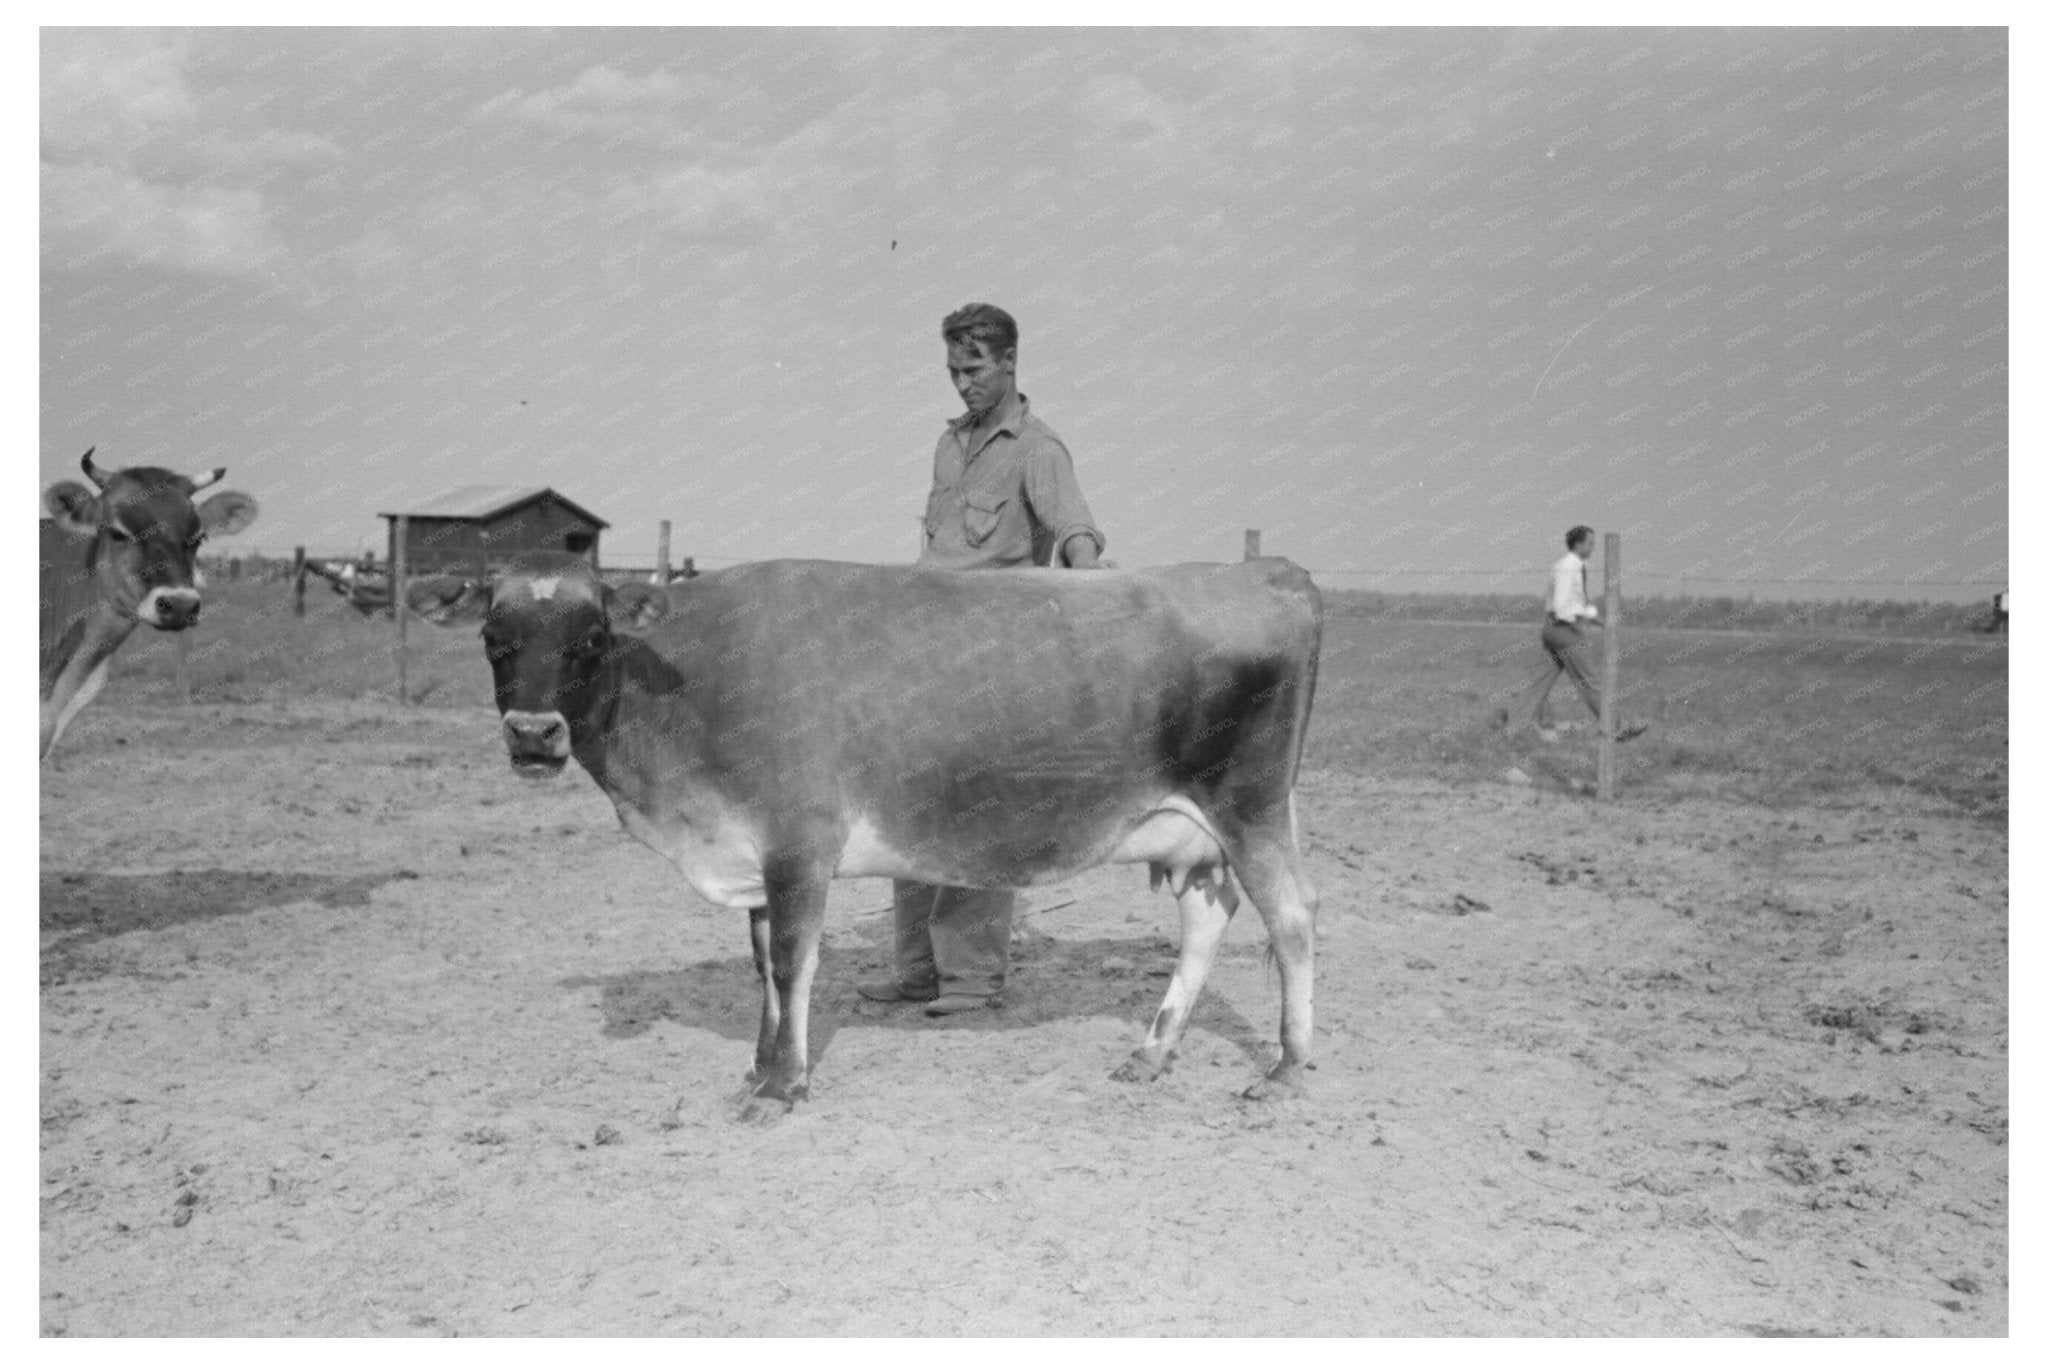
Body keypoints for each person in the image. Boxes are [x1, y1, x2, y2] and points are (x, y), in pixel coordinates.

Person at [858, 303, 1106, 1017]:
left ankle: (970, 980)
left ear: (1008, 363)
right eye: (953, 371)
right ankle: (917, 972)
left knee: (974, 818)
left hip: (991, 666)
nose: (962, 384)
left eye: (974, 370)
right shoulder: (950, 445)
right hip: (921, 656)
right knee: (910, 812)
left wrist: (1091, 605)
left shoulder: (1038, 449)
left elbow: (1075, 529)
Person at [1497, 525, 1647, 741]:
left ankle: (1512, 727)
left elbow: (1575, 600)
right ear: (1578, 544)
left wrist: (1595, 617)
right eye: (1589, 543)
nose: (1592, 548)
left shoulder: (1570, 565)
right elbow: (1562, 604)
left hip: (1553, 627)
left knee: (1540, 679)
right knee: (1589, 678)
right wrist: (1578, 623)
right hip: (1564, 627)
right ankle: (1615, 727)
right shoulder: (1569, 567)